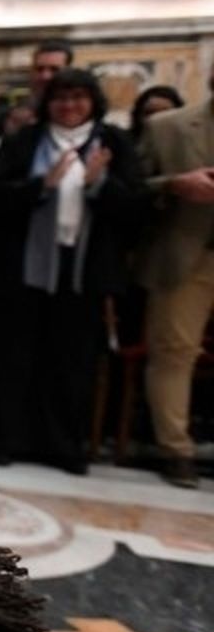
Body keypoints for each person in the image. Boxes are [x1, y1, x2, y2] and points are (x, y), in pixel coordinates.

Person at [0, 68, 148, 474]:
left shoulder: (114, 143)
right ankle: (5, 439)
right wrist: (41, 186)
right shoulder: (24, 141)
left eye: (78, 98)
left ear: (93, 102)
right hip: (22, 268)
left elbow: (137, 209)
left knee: (71, 361)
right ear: (48, 103)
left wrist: (99, 185)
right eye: (60, 98)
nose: (69, 106)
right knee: (13, 356)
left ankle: (63, 445)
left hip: (83, 271)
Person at [135, 69, 214, 488]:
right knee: (174, 352)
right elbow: (132, 188)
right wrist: (173, 184)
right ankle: (176, 450)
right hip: (187, 256)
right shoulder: (168, 127)